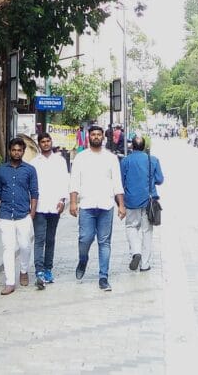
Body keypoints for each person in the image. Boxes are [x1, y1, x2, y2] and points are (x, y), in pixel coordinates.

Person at [69, 124, 126, 292]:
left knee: (104, 242)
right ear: (88, 137)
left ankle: (103, 277)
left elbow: (117, 184)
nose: (95, 137)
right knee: (84, 239)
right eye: (93, 134)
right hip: (86, 205)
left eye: (98, 134)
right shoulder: (81, 158)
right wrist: (73, 202)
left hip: (106, 205)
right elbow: (74, 182)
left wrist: (121, 205)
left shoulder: (111, 158)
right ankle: (83, 260)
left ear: (103, 137)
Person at [0, 138, 38, 295]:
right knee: (8, 248)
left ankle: (24, 270)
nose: (16, 152)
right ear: (9, 151)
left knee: (25, 246)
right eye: (14, 150)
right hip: (6, 215)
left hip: (24, 214)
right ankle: (10, 282)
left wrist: (32, 212)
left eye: (19, 150)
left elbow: (34, 193)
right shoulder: (1, 170)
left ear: (23, 152)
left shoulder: (30, 170)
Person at [120, 135, 164, 272]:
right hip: (149, 201)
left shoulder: (125, 161)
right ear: (144, 146)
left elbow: (121, 182)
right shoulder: (153, 160)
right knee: (147, 232)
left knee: (131, 227)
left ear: (131, 146)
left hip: (131, 201)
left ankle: (136, 252)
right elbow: (160, 179)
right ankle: (145, 264)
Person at [31, 132, 69, 289]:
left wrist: (63, 200)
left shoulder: (60, 161)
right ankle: (39, 271)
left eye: (48, 141)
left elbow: (65, 181)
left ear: (51, 142)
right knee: (39, 239)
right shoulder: (34, 163)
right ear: (39, 144)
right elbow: (31, 185)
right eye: (43, 141)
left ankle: (48, 269)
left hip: (55, 205)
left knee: (50, 239)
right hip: (39, 206)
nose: (46, 144)